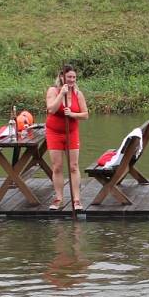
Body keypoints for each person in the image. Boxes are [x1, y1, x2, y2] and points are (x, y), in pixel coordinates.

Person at [46, 64, 89, 211]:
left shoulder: (78, 94)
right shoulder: (53, 90)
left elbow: (85, 115)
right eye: (69, 77)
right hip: (54, 132)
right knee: (57, 167)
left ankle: (76, 200)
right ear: (62, 77)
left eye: (74, 77)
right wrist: (61, 94)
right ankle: (58, 198)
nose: (71, 80)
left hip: (71, 132)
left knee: (73, 166)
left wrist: (72, 114)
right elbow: (51, 109)